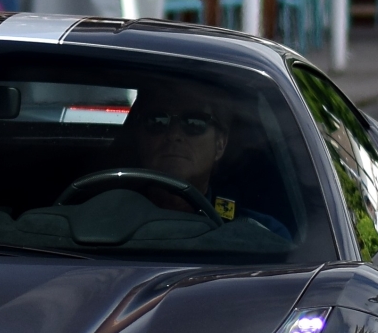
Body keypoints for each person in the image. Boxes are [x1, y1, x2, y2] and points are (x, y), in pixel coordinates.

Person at [106, 85, 288, 236]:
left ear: (220, 144)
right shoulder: (103, 222)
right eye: (157, 121)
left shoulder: (262, 236)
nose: (174, 135)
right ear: (139, 136)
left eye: (194, 123)